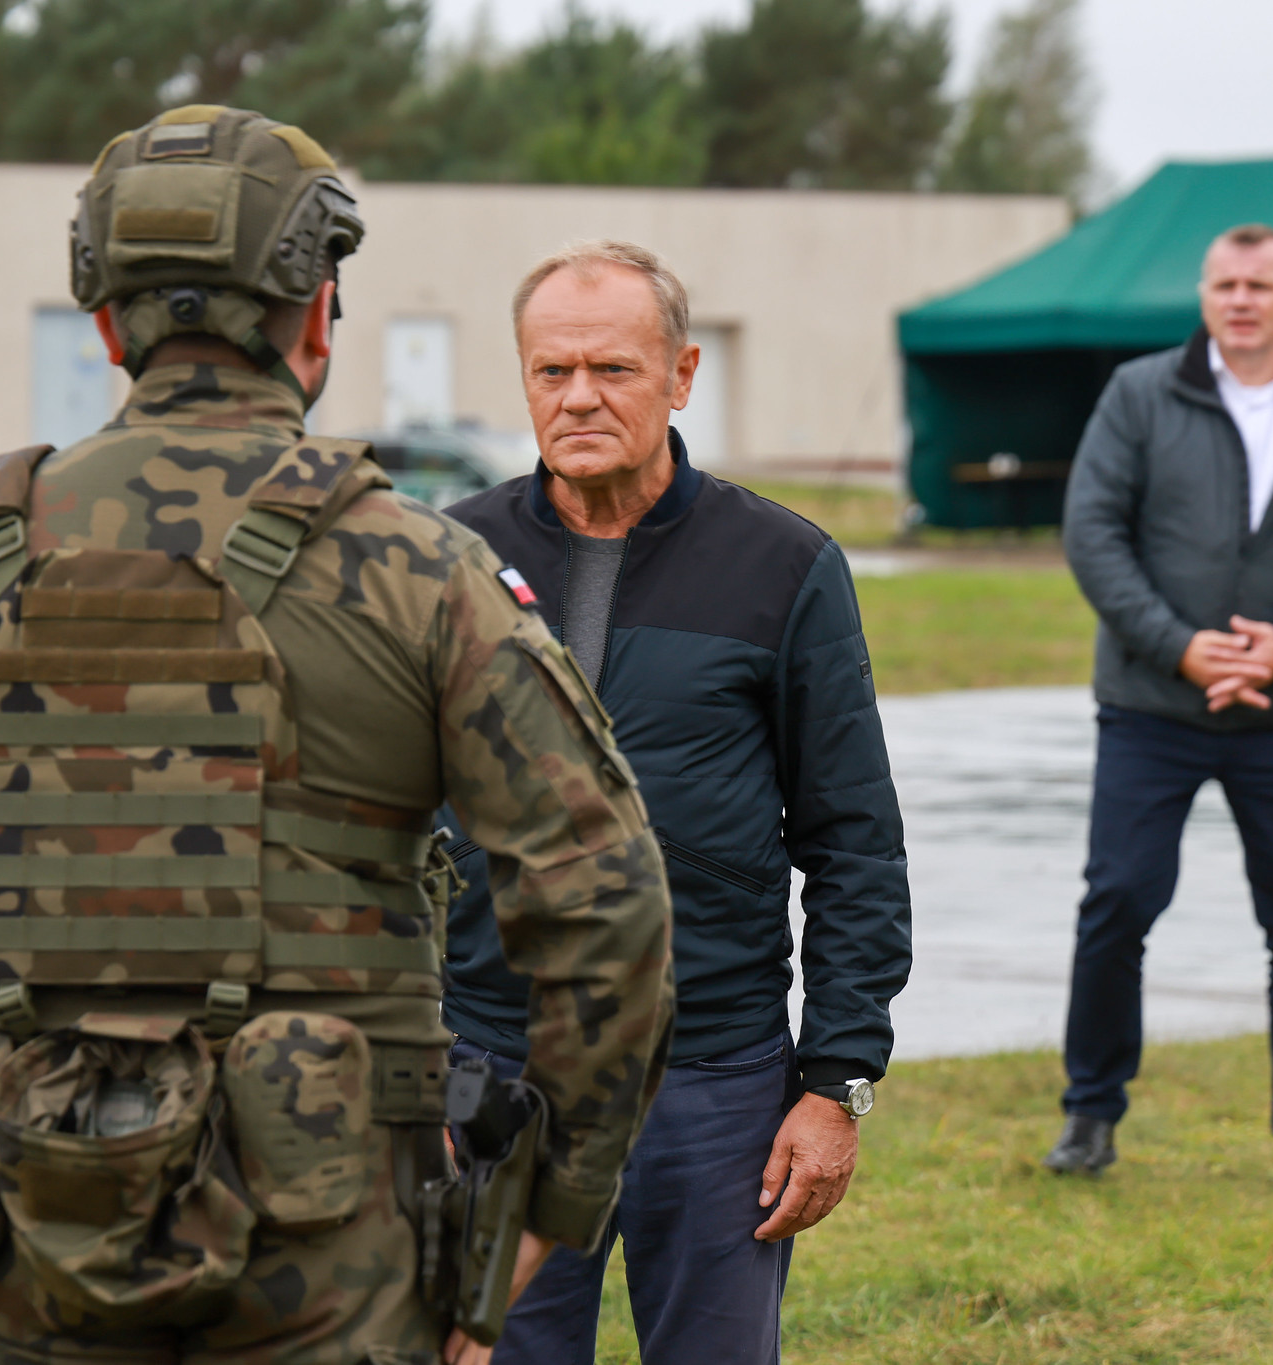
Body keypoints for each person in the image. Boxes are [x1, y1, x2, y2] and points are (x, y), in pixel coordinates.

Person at [0, 107, 675, 1365]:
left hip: (30, 1247)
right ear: (316, 316)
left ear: (108, 324)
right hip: (343, 1271)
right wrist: (531, 1232)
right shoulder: (420, 572)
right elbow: (605, 907)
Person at [438, 240, 912, 1365]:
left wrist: (834, 1083)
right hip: (494, 1069)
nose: (579, 396)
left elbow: (853, 841)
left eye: (612, 368)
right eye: (551, 372)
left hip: (710, 1078)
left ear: (681, 375)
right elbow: (376, 823)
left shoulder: (782, 564)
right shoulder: (443, 558)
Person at [1050, 224, 1273, 1196]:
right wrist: (1178, 643)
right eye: (1223, 284)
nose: (1240, 299)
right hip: (1147, 703)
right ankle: (1088, 1117)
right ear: (1202, 297)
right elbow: (1091, 530)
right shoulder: (1137, 393)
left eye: (1260, 284)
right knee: (1115, 904)